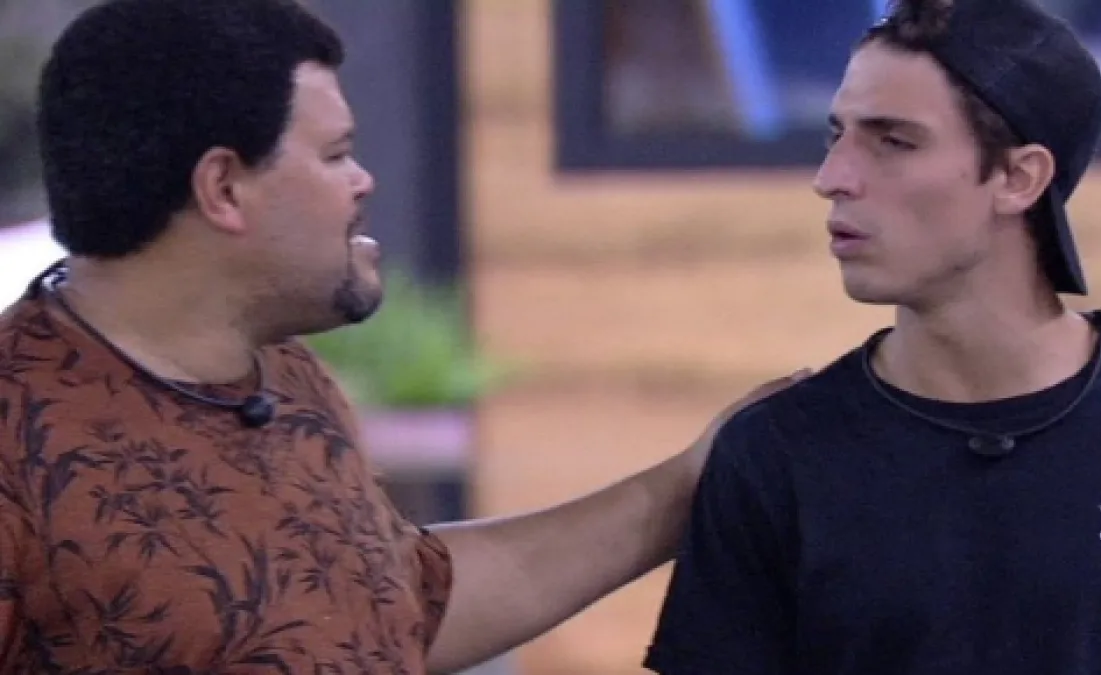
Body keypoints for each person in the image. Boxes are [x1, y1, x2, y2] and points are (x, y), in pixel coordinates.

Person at [0, 1, 805, 672]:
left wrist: (691, 484)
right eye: (337, 154)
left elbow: (401, 604)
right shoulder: (16, 436)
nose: (364, 181)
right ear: (223, 188)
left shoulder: (287, 378)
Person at [644, 0, 1101, 673]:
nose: (831, 179)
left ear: (1019, 178)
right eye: (836, 135)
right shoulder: (774, 455)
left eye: (893, 142)